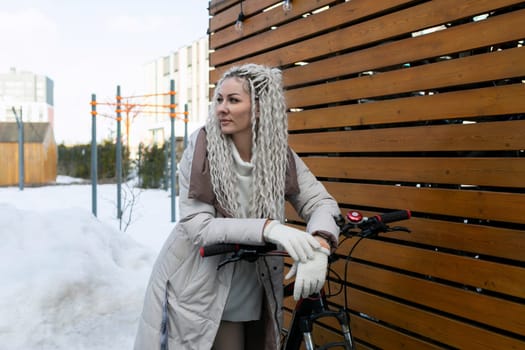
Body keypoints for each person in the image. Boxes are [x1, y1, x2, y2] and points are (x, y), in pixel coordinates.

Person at [134, 63, 341, 350]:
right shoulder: (202, 148)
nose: (221, 108)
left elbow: (320, 202)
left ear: (260, 107)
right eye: (219, 99)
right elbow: (198, 225)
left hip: (250, 281)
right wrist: (270, 229)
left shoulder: (278, 154)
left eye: (233, 100)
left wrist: (320, 243)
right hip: (199, 280)